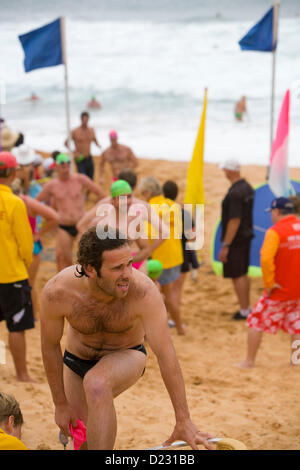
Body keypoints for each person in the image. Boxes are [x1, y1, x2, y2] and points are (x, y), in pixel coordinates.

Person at [40, 226, 214, 450]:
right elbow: (50, 346)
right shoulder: (58, 292)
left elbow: (165, 352)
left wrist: (183, 419)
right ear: (90, 269)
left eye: (129, 263)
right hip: (76, 361)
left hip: (127, 354)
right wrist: (60, 404)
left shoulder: (143, 292)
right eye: (117, 268)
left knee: (96, 384)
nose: (128, 274)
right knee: (82, 443)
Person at [239, 197, 300, 369]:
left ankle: (249, 361)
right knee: (297, 326)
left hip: (279, 290)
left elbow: (265, 259)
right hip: (298, 290)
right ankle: (296, 361)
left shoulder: (275, 231)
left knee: (256, 321)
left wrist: (269, 283)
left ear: (277, 212)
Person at [36, 153, 105, 272]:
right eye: (62, 165)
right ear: (56, 167)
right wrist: (49, 217)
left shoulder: (79, 179)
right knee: (63, 261)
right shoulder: (52, 185)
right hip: (64, 227)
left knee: (87, 259)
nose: (66, 167)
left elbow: (100, 193)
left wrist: (95, 215)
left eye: (68, 164)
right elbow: (36, 203)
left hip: (82, 225)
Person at [0, 152, 35, 382]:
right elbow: (25, 244)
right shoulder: (14, 203)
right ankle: (21, 374)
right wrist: (26, 262)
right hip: (12, 273)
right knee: (16, 326)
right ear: (13, 174)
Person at [139, 177, 185, 335]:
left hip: (159, 258)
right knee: (168, 293)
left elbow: (149, 234)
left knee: (158, 295)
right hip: (175, 257)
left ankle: (170, 328)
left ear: (148, 192)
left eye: (142, 193)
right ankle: (179, 327)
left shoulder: (150, 208)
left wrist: (147, 250)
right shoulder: (174, 206)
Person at [219, 159, 254, 321]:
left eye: (225, 169)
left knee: (237, 275)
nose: (224, 172)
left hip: (236, 240)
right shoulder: (247, 188)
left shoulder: (235, 193)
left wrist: (226, 245)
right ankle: (246, 307)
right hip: (246, 236)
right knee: (243, 273)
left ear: (232, 171)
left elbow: (234, 220)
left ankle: (244, 310)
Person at [162, 181, 199, 319]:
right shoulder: (184, 213)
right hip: (182, 255)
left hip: (164, 253)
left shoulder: (159, 211)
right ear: (177, 194)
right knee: (176, 290)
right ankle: (172, 319)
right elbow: (193, 237)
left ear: (163, 193)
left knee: (163, 289)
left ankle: (163, 317)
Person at [64, 111, 101, 180]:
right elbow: (66, 143)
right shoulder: (75, 131)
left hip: (88, 157)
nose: (85, 121)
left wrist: (99, 146)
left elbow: (94, 140)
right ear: (81, 119)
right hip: (79, 158)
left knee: (90, 178)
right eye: (84, 119)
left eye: (87, 119)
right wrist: (73, 151)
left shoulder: (91, 130)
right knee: (82, 178)